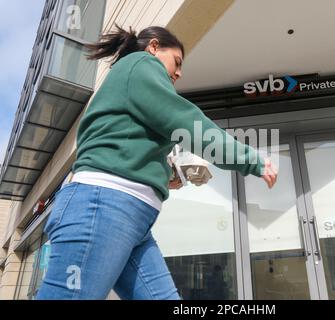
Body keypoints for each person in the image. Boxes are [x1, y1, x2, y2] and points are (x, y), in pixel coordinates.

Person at [36, 25, 277, 300]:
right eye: (177, 61)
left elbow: (131, 148)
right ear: (153, 47)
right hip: (102, 207)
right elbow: (186, 121)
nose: (179, 73)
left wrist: (166, 176)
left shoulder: (133, 82)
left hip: (131, 221)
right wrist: (251, 161)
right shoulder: (140, 63)